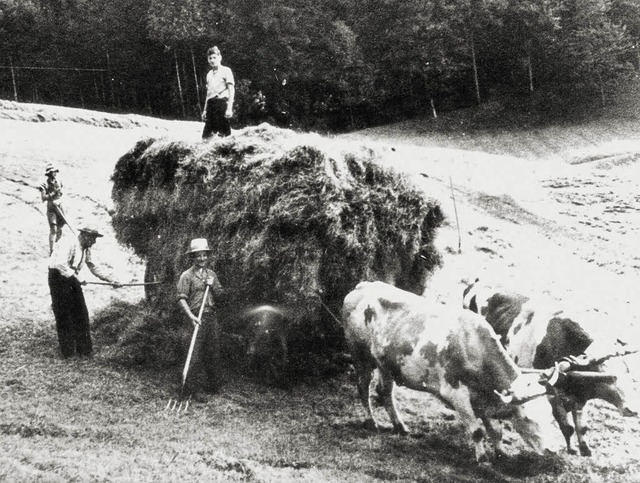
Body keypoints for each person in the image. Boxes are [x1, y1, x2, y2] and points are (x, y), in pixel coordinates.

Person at [48, 225, 122, 358]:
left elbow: (93, 266)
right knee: (64, 314)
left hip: (72, 277)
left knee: (81, 312)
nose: (94, 242)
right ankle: (68, 352)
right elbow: (60, 264)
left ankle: (84, 350)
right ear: (84, 236)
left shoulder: (86, 248)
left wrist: (111, 280)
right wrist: (78, 277)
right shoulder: (68, 242)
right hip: (58, 278)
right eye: (93, 238)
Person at [177, 238, 225, 398]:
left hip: (210, 316)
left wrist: (212, 286)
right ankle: (191, 390)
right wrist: (191, 316)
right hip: (195, 317)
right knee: (194, 354)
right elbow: (181, 298)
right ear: (192, 257)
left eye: (204, 255)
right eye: (198, 256)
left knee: (213, 351)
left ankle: (213, 386)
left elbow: (220, 294)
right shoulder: (187, 276)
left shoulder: (212, 274)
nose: (202, 259)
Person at [201, 46, 235, 139]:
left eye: (214, 57)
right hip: (211, 106)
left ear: (220, 58)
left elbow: (231, 89)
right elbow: (208, 94)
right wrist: (205, 110)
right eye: (210, 58)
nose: (212, 60)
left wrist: (229, 108)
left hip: (221, 105)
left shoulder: (226, 71)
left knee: (225, 136)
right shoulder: (209, 74)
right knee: (206, 137)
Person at [38, 163, 66, 255]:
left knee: (60, 228)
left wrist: (60, 192)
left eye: (55, 171)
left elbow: (62, 193)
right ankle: (52, 251)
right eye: (52, 172)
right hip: (51, 208)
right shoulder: (44, 184)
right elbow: (43, 198)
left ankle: (57, 248)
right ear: (49, 173)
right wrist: (53, 193)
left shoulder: (60, 181)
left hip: (60, 206)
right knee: (53, 229)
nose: (54, 173)